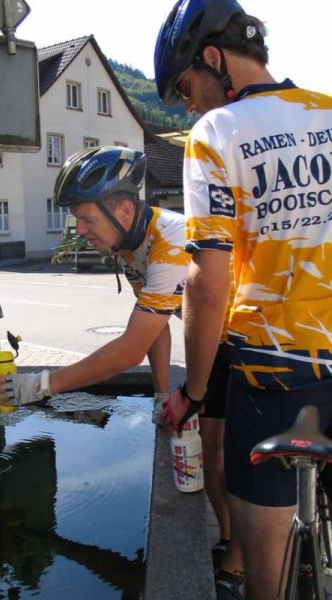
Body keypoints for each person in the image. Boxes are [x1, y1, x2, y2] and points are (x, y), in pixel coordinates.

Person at [154, 1, 332, 599]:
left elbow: (208, 282)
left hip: (273, 373)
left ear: (212, 58)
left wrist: (194, 393)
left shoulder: (216, 133)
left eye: (185, 85)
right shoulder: (328, 112)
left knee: (266, 576)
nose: (187, 103)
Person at [0, 145, 189, 422]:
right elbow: (155, 329)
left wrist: (41, 385)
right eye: (77, 219)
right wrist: (162, 396)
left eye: (88, 219)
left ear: (125, 210)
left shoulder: (171, 240)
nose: (80, 230)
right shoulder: (131, 242)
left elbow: (131, 350)